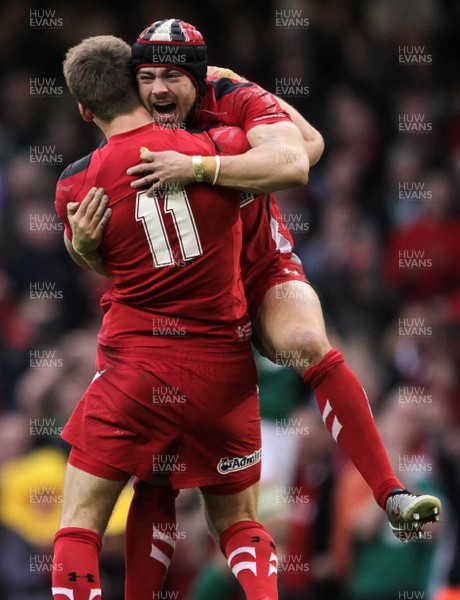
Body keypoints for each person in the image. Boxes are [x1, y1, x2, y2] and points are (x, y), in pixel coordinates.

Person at [120, 15, 441, 552]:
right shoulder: (123, 112)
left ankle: (391, 496)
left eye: (172, 76)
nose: (157, 89)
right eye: (147, 76)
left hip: (259, 267)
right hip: (177, 294)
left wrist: (198, 168)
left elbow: (301, 155)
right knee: (157, 465)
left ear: (198, 77)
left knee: (309, 344)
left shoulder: (233, 92)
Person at [52, 34, 303, 600]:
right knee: (238, 521)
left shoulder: (74, 183)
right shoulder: (222, 144)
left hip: (138, 369)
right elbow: (295, 157)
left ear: (85, 110)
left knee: (79, 524)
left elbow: (107, 257)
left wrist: (82, 249)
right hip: (225, 371)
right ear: (140, 80)